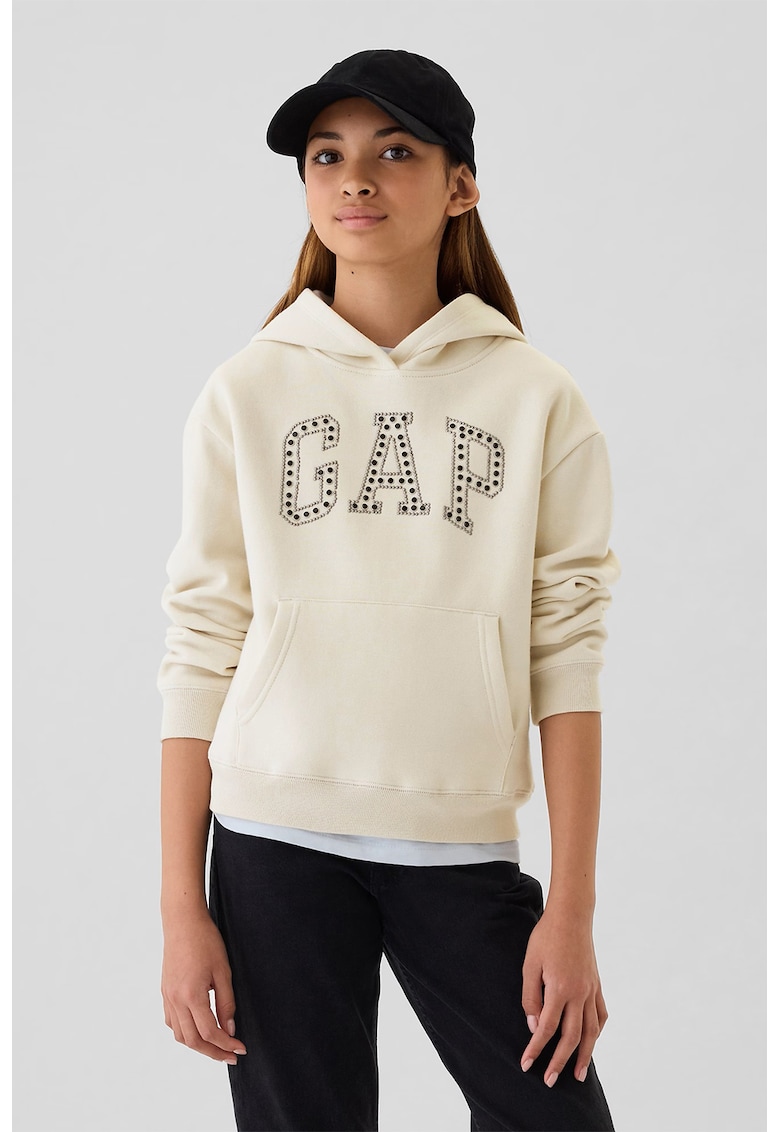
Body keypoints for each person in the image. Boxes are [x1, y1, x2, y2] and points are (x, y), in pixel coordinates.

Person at [158, 48, 621, 1132]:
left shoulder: (535, 396)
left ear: (461, 185)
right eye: (327, 157)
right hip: (272, 840)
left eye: (395, 152)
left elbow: (568, 653)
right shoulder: (247, 389)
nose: (355, 179)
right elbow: (201, 642)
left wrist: (571, 910)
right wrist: (183, 908)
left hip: (458, 843)